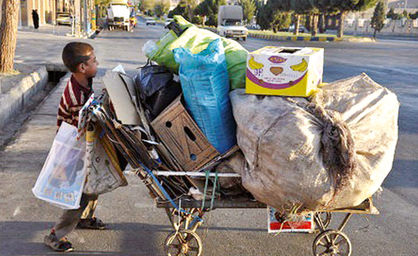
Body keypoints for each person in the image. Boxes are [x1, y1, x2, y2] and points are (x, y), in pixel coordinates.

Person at [44, 42, 127, 252]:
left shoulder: (83, 83)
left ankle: (85, 218)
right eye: (94, 61)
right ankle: (55, 234)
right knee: (79, 192)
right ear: (82, 67)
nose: (97, 63)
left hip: (84, 145)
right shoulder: (75, 97)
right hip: (75, 149)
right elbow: (83, 125)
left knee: (95, 179)